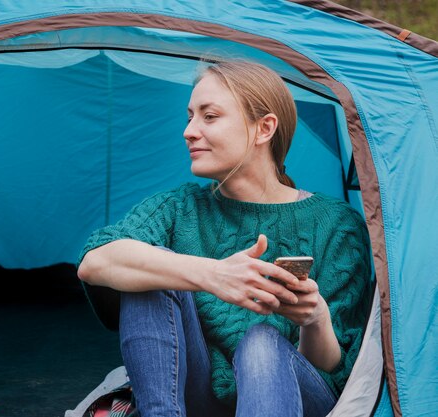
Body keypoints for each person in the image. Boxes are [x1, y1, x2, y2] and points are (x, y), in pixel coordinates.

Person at [77, 60, 372, 417]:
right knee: (149, 268)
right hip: (199, 396)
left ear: (264, 129)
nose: (189, 130)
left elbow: (335, 373)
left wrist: (315, 318)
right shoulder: (179, 207)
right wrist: (212, 274)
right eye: (189, 117)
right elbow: (95, 261)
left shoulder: (336, 224)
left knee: (261, 343)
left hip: (298, 397)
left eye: (209, 116)